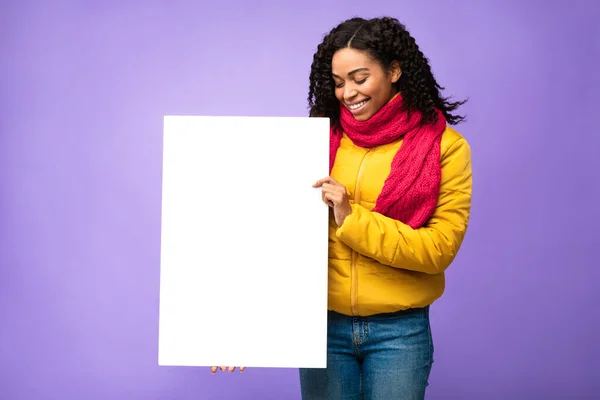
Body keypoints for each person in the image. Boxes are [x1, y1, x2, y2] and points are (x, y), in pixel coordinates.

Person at [212, 16, 472, 400]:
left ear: (395, 70)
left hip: (400, 332)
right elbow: (268, 234)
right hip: (321, 329)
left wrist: (352, 218)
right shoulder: (317, 140)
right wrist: (243, 325)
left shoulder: (446, 148)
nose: (347, 92)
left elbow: (437, 250)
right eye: (337, 82)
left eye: (360, 78)